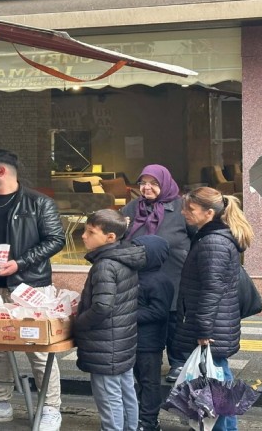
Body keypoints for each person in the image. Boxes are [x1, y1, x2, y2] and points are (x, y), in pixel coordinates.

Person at [0, 149, 66, 430]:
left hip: (30, 286)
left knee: (40, 349)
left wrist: (21, 263)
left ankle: (51, 408)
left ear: (0, 171)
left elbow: (56, 239)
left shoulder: (38, 202)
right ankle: (0, 402)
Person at [175, 186, 254, 431]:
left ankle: (225, 429)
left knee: (217, 384)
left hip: (213, 326)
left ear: (209, 213)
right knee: (218, 381)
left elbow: (212, 288)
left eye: (190, 209)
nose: (184, 213)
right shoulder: (212, 236)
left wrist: (203, 329)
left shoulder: (213, 242)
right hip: (218, 322)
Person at [121, 164, 193, 382]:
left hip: (174, 271)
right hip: (140, 275)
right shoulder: (132, 208)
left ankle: (178, 362)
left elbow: (197, 235)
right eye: (143, 183)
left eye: (153, 183)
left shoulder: (182, 206)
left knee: (174, 318)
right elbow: (119, 235)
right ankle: (147, 363)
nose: (147, 188)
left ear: (165, 184)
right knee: (147, 318)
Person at [74, 209, 145, 431]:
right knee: (126, 392)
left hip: (105, 343)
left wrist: (77, 323)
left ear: (110, 237)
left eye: (90, 232)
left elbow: (102, 307)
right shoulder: (124, 258)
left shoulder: (105, 265)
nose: (84, 236)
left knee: (109, 396)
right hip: (122, 340)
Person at [131, 234, 175, 431]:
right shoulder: (134, 276)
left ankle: (148, 421)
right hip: (132, 339)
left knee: (149, 382)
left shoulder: (159, 280)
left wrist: (127, 314)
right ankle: (139, 416)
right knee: (139, 381)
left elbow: (158, 311)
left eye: (138, 251)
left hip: (149, 343)